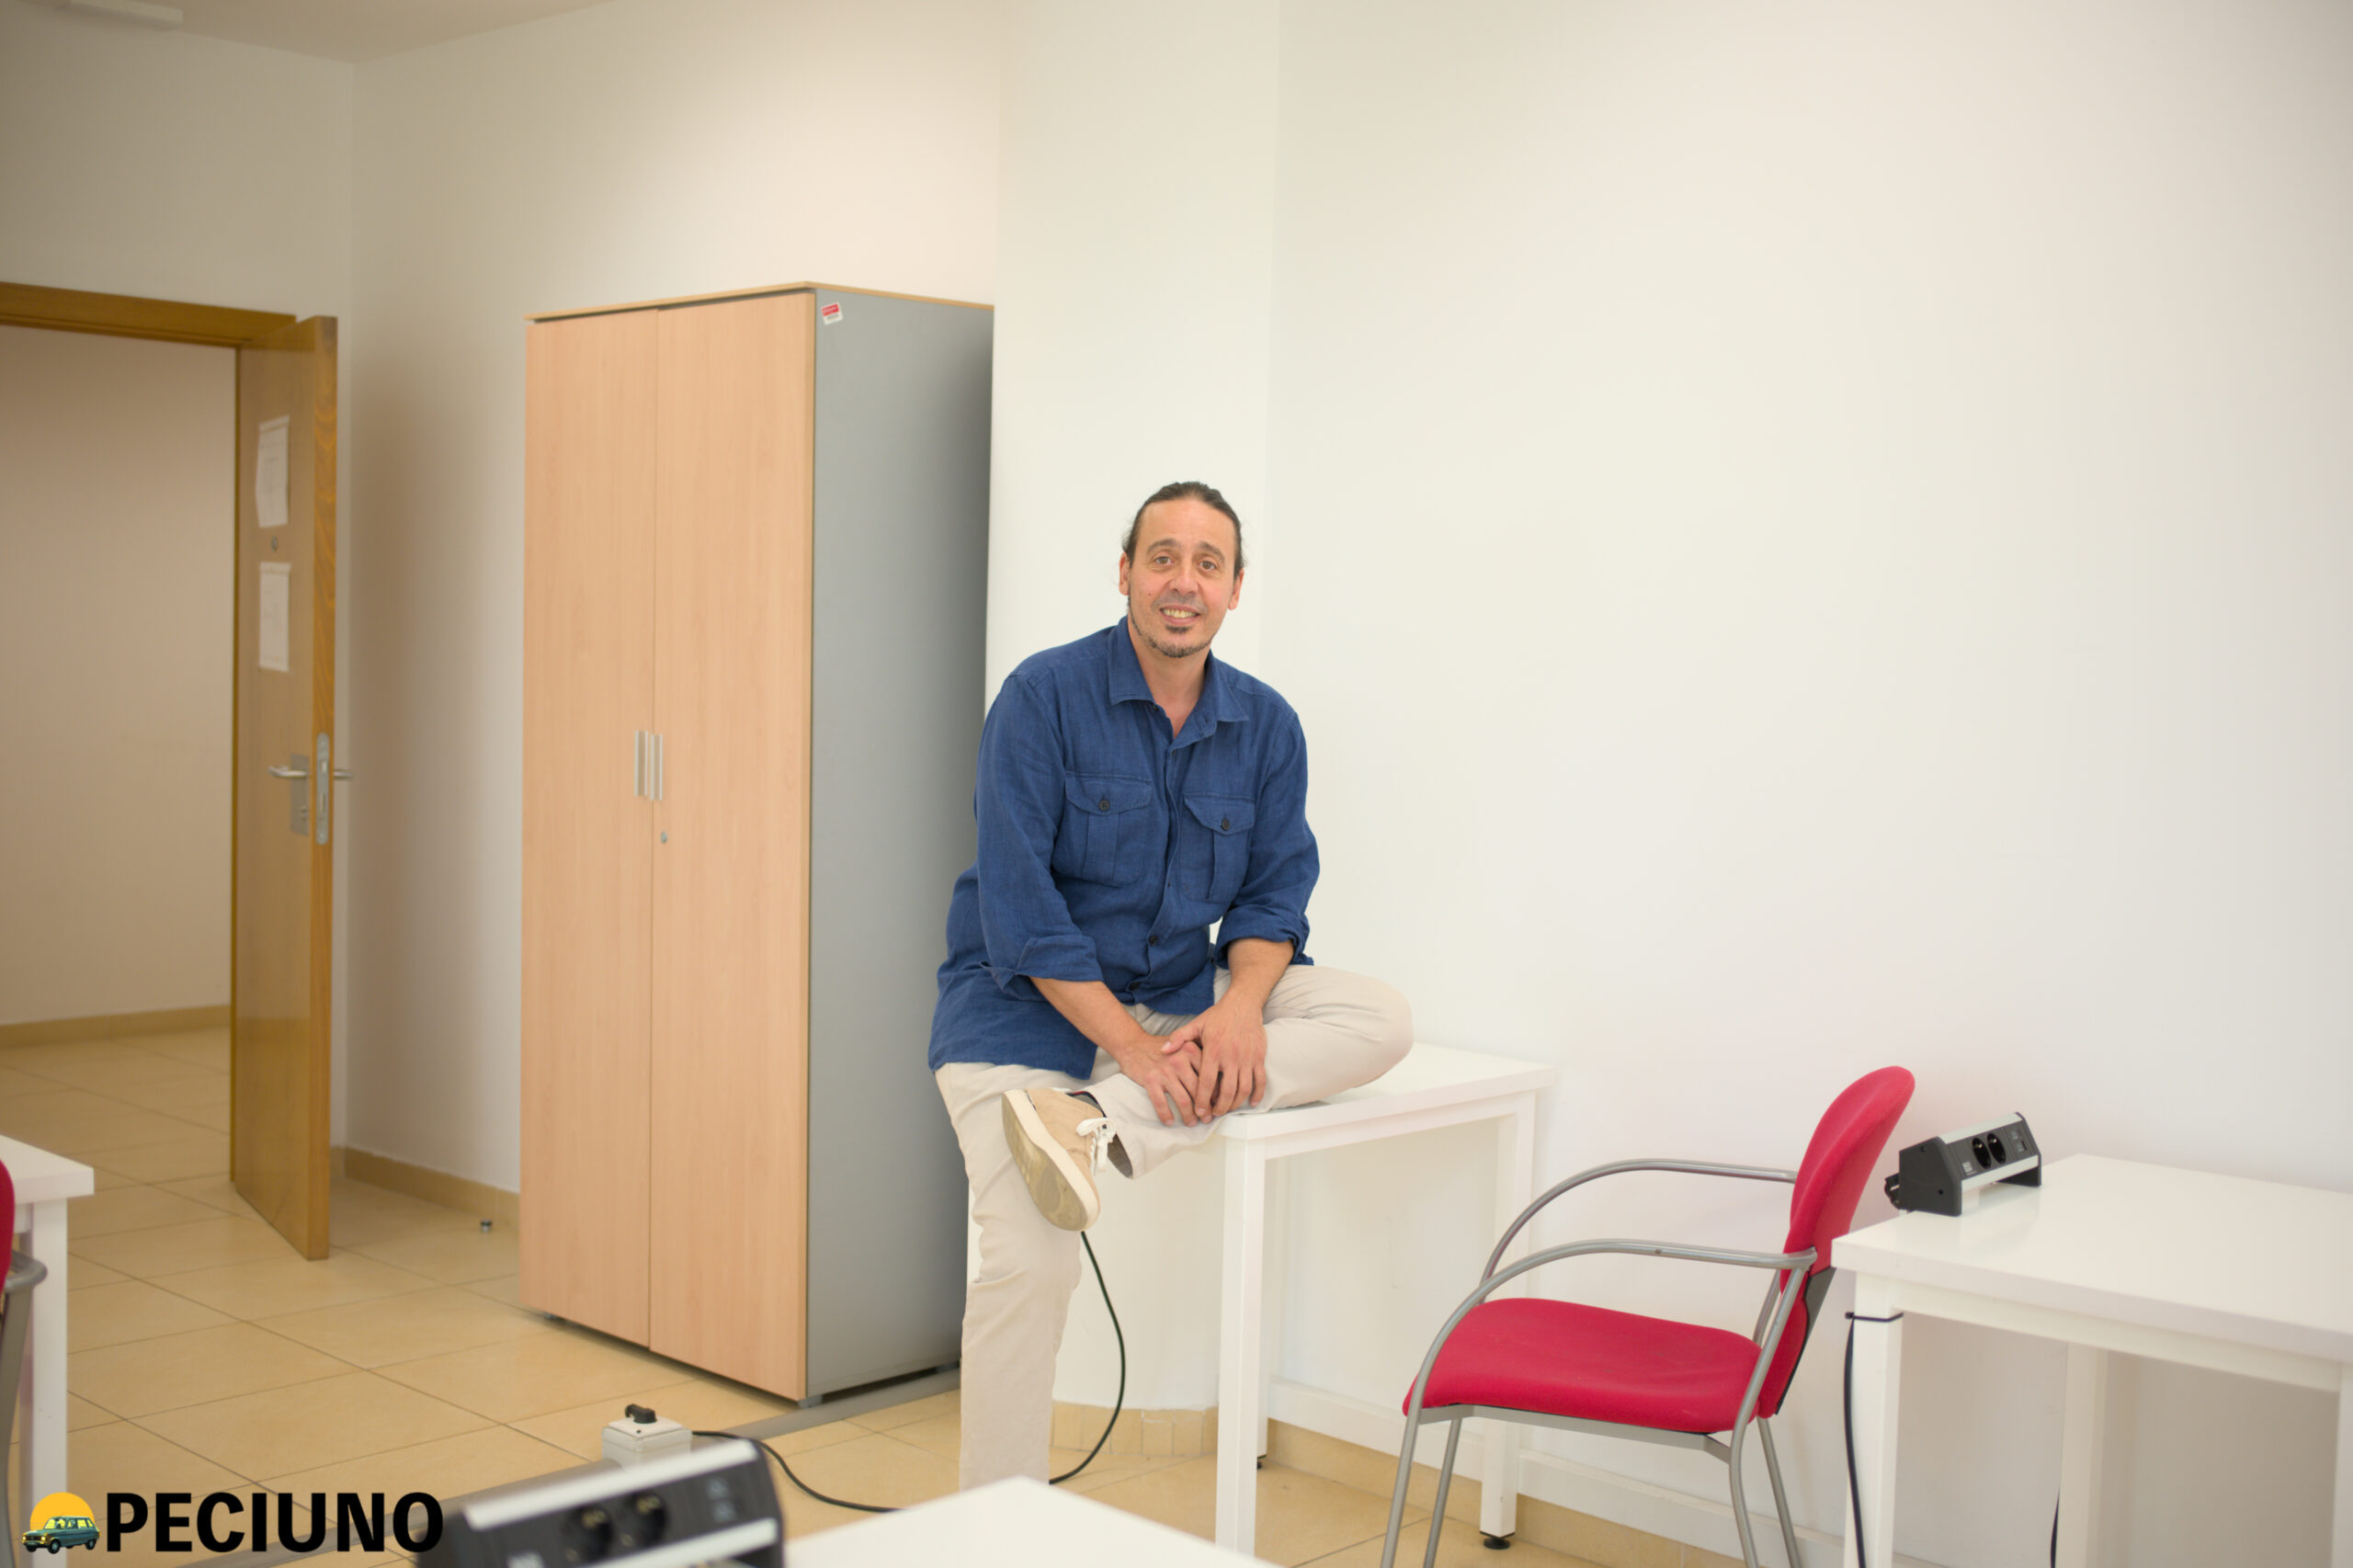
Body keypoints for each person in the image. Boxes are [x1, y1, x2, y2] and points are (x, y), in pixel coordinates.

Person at [928, 479, 1414, 1489]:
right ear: (1124, 574)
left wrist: (1237, 1012)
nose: (1181, 582)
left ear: (1235, 587)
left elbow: (1277, 895)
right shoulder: (1041, 696)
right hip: (1020, 1012)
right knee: (1032, 1261)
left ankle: (1095, 1122)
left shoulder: (1267, 726)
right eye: (1161, 557)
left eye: (1206, 562)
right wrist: (1145, 1052)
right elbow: (1020, 915)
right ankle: (991, 1531)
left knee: (1377, 1016)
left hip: (1178, 995)